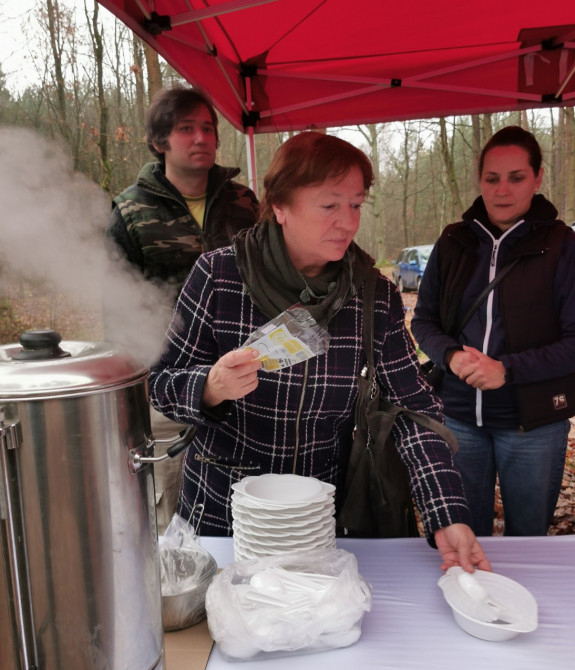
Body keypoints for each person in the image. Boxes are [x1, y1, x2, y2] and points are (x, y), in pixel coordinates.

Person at [148, 130, 490, 573]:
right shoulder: (219, 276)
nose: (347, 221)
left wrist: (446, 513)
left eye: (356, 204)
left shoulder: (373, 296)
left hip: (317, 520)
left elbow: (414, 411)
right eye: (330, 205)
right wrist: (210, 387)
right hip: (223, 517)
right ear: (280, 207)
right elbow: (160, 384)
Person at [107, 86, 259, 532]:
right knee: (177, 521)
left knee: (245, 510)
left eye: (208, 128)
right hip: (171, 388)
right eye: (186, 129)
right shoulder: (130, 211)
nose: (201, 138)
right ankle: (183, 605)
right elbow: (117, 308)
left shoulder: (245, 202)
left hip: (244, 379)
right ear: (160, 142)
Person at [412, 125, 575, 537]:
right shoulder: (454, 241)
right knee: (465, 532)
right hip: (459, 417)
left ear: (537, 179)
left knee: (527, 538)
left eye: (516, 178)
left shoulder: (562, 245)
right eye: (492, 178)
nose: (502, 190)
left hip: (532, 423)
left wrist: (507, 369)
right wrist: (450, 356)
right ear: (479, 180)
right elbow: (424, 320)